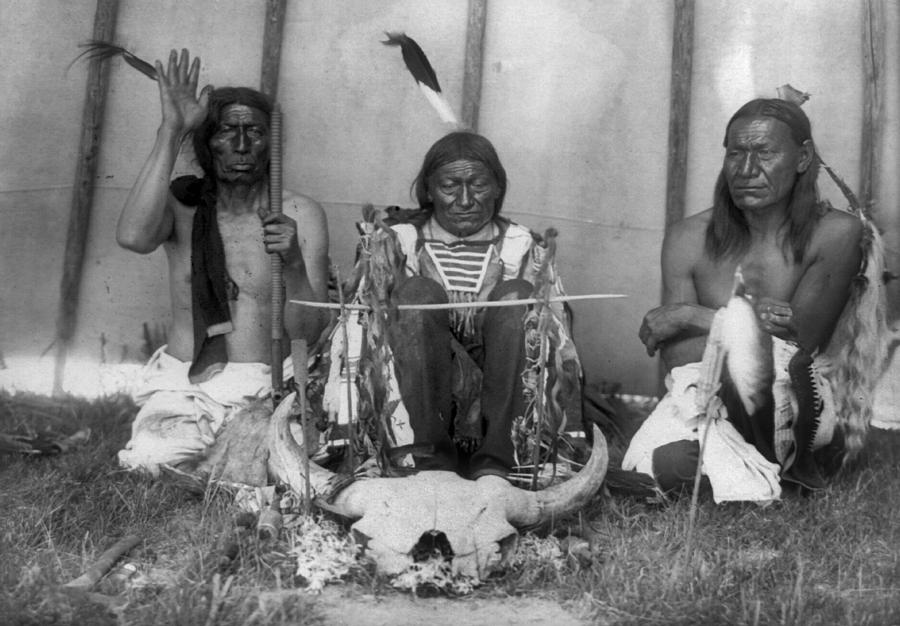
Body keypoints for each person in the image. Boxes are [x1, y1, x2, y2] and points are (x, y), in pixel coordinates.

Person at [623, 98, 868, 502]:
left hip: (792, 400)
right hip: (701, 394)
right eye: (736, 153)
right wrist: (755, 325)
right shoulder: (689, 236)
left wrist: (694, 315)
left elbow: (799, 346)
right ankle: (726, 470)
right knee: (656, 461)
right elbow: (679, 357)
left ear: (803, 157)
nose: (747, 170)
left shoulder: (836, 234)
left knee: (767, 372)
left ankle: (743, 468)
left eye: (765, 153)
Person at [116, 50, 330, 475]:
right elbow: (132, 237)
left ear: (273, 142)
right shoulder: (183, 207)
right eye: (227, 131)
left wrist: (292, 265)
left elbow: (309, 332)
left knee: (294, 462)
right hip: (187, 385)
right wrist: (171, 128)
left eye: (254, 132)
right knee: (151, 459)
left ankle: (234, 455)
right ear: (205, 141)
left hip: (269, 384)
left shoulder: (300, 215)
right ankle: (221, 458)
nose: (241, 145)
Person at [342, 131, 582, 480]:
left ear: (498, 187)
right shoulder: (397, 243)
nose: (465, 199)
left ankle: (501, 462)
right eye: (450, 186)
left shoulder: (524, 247)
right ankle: (426, 459)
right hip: (416, 406)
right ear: (428, 189)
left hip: (503, 403)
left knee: (518, 296)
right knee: (416, 295)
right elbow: (361, 335)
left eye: (479, 185)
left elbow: (558, 347)